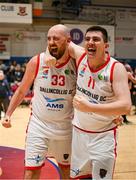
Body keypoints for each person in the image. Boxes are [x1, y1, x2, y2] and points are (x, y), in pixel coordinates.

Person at [45, 25, 130, 179]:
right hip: (79, 134)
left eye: (96, 39)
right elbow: (58, 40)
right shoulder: (81, 55)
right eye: (88, 39)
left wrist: (89, 107)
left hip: (103, 137)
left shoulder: (116, 69)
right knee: (79, 178)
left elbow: (126, 106)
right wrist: (47, 54)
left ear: (106, 46)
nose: (90, 42)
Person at [1, 24, 77, 179]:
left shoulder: (77, 62)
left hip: (66, 128)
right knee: (31, 170)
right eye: (49, 38)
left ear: (68, 41)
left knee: (67, 172)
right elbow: (22, 90)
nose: (51, 42)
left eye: (56, 38)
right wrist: (8, 113)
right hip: (39, 126)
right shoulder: (37, 61)